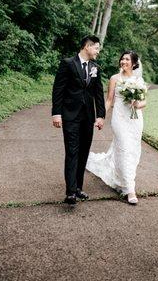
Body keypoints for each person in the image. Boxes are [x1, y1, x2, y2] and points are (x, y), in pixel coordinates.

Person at [86, 51, 147, 205]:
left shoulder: (139, 80)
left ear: (133, 63)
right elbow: (109, 100)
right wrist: (101, 117)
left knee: (132, 151)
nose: (123, 61)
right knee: (124, 149)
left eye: (127, 59)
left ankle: (124, 178)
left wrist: (137, 104)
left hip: (135, 120)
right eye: (122, 58)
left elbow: (144, 102)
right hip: (119, 119)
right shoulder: (114, 78)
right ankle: (129, 189)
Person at [51, 36, 106, 205]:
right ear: (87, 47)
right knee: (72, 151)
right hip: (70, 116)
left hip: (88, 117)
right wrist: (56, 113)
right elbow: (58, 89)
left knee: (83, 152)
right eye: (96, 48)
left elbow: (98, 93)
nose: (98, 51)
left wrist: (100, 116)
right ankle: (70, 192)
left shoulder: (95, 67)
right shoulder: (68, 63)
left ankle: (78, 188)